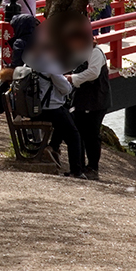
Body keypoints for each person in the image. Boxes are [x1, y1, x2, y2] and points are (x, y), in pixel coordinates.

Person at [22, 27, 85, 178]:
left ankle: (51, 148)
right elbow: (65, 88)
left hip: (33, 110)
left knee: (66, 122)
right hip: (50, 109)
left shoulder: (29, 60)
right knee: (74, 135)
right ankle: (76, 170)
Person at [0, 12, 39, 137]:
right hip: (38, 79)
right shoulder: (39, 41)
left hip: (23, 80)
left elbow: (16, 64)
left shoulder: (20, 43)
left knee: (1, 93)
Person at [65, 31, 109, 180]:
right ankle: (80, 166)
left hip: (96, 99)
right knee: (79, 132)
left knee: (91, 134)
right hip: (82, 99)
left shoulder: (95, 52)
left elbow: (93, 73)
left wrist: (73, 78)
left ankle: (93, 167)